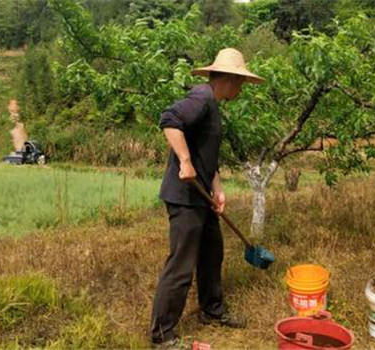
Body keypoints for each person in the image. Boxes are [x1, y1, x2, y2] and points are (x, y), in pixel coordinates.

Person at [150, 48, 264, 349]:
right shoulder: (201, 97)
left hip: (202, 195)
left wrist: (218, 188)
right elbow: (169, 120)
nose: (241, 89)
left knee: (212, 254)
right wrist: (184, 161)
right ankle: (162, 334)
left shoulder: (213, 105)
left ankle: (212, 311)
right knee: (181, 265)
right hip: (184, 197)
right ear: (227, 78)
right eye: (240, 83)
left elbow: (207, 158)